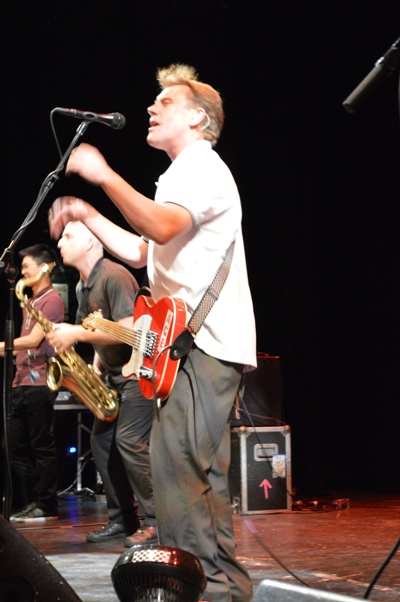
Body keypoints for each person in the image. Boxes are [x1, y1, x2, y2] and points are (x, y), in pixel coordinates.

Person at [49, 64, 257, 601]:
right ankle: (224, 585)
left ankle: (203, 587)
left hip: (202, 344)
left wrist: (103, 175)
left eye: (165, 101)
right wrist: (89, 214)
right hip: (192, 345)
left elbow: (159, 226)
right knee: (196, 470)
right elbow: (146, 250)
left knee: (178, 467)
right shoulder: (181, 174)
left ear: (197, 117)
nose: (151, 107)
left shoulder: (202, 166)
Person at [46, 220, 157, 545]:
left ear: (92, 244)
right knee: (102, 443)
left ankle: (156, 521)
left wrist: (75, 334)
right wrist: (95, 362)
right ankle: (123, 519)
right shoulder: (83, 285)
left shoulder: (114, 275)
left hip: (137, 374)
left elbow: (127, 328)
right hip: (112, 376)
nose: (61, 242)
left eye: (69, 236)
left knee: (129, 442)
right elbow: (96, 331)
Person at [0, 244, 64, 521]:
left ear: (44, 268)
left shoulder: (52, 300)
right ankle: (29, 501)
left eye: (27, 266)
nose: (23, 270)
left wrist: (2, 346)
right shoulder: (30, 301)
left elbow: (33, 341)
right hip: (22, 381)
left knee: (41, 446)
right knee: (15, 445)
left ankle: (47, 505)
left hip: (39, 384)